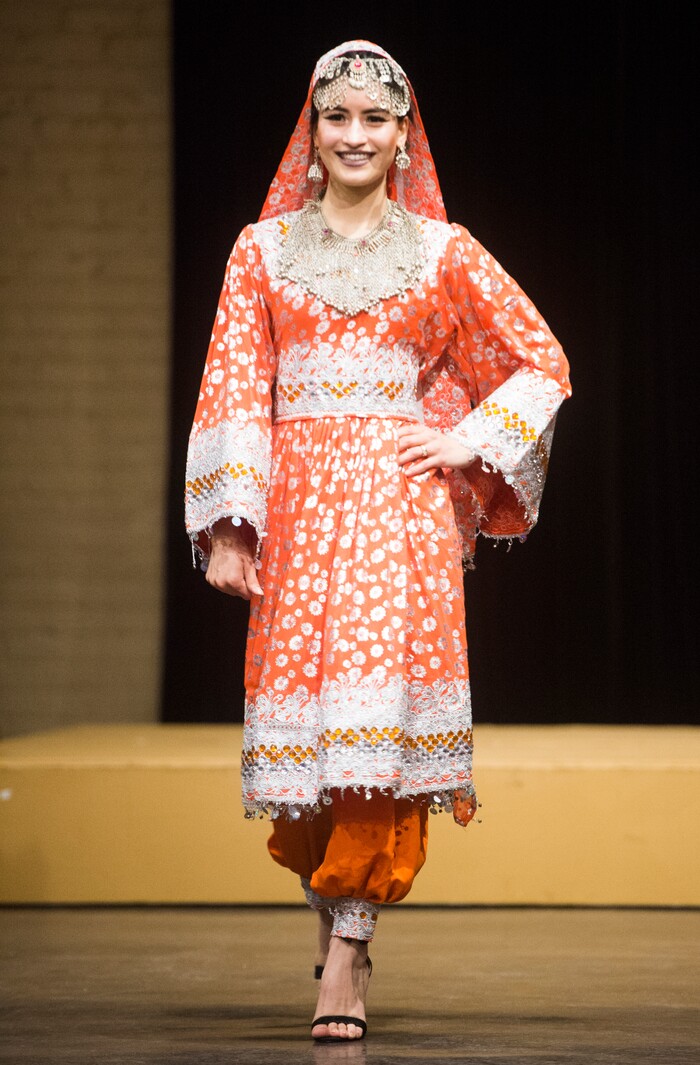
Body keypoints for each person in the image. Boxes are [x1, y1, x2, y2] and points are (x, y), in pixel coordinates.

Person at [185, 40, 570, 1044]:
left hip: (397, 519)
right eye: (338, 117)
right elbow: (234, 388)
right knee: (312, 751)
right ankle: (332, 916)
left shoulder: (444, 251)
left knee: (375, 747)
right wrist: (229, 527)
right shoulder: (258, 251)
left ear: (404, 136)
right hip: (301, 515)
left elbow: (541, 361)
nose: (356, 135)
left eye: (376, 119)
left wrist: (466, 439)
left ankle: (347, 957)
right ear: (311, 133)